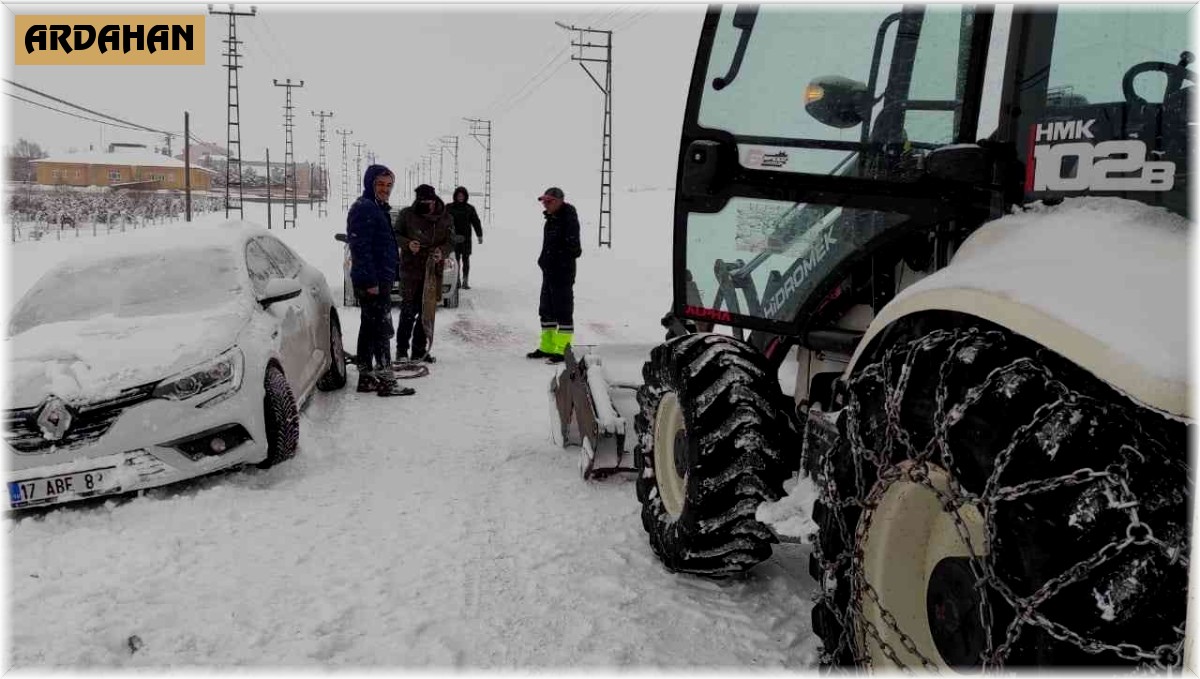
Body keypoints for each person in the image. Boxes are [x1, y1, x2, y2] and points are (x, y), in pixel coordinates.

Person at [347, 164, 414, 397]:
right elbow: (360, 247)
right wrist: (370, 281)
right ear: (370, 184)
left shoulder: (377, 208)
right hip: (372, 281)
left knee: (369, 328)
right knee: (381, 329)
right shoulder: (365, 208)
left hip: (378, 278)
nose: (385, 189)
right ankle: (386, 381)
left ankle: (366, 378)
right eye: (380, 184)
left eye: (389, 185)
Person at [393, 184, 454, 363]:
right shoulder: (407, 215)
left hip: (433, 271)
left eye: (429, 202)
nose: (427, 206)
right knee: (408, 311)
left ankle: (419, 351)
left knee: (426, 312)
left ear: (434, 200)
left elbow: (451, 241)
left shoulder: (446, 217)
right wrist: (408, 244)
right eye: (422, 202)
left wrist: (441, 251)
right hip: (411, 270)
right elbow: (395, 235)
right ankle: (402, 351)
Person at [527, 186, 581, 364]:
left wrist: (558, 260)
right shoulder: (551, 219)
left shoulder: (568, 218)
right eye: (544, 201)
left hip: (562, 272)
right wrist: (544, 261)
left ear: (559, 201)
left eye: (549, 201)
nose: (545, 205)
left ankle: (562, 350)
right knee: (546, 310)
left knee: (563, 311)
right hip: (549, 271)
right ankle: (547, 347)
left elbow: (574, 248)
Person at [446, 186, 483, 289]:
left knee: (466, 259)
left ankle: (465, 281)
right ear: (455, 196)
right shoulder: (449, 207)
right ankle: (456, 280)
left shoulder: (470, 208)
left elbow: (476, 222)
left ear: (465, 196)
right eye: (459, 195)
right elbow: (443, 221)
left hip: (466, 238)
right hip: (453, 238)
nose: (460, 197)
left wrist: (479, 235)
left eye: (462, 196)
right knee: (455, 260)